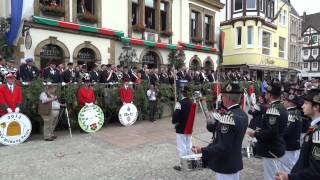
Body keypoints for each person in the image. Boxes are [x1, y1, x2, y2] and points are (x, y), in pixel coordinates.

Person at [192, 83, 248, 180]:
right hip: (234, 162)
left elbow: (223, 147)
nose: (221, 98)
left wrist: (202, 150)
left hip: (225, 165)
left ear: (227, 98)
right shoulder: (243, 114)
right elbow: (219, 133)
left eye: (223, 96)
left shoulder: (228, 118)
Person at [276, 89, 320, 180]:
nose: (303, 106)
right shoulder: (315, 127)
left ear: (316, 107)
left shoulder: (318, 133)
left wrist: (289, 177)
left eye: (306, 103)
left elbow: (315, 172)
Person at [247, 81, 288, 180]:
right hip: (277, 146)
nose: (265, 94)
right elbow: (274, 128)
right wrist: (262, 129)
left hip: (271, 149)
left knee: (270, 177)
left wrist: (255, 134)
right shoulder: (282, 107)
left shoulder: (273, 109)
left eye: (266, 93)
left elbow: (272, 132)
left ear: (269, 95)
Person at [172, 86, 197, 171]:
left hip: (181, 128)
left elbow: (176, 115)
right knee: (188, 146)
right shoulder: (192, 102)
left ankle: (183, 165)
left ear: (182, 93)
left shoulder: (179, 103)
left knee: (181, 147)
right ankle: (191, 163)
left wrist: (174, 122)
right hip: (189, 127)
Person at [280, 93, 302, 172]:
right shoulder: (297, 112)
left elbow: (286, 131)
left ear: (290, 103)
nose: (283, 102)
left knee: (286, 169)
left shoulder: (290, 114)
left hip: (288, 146)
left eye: (285, 100)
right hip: (294, 145)